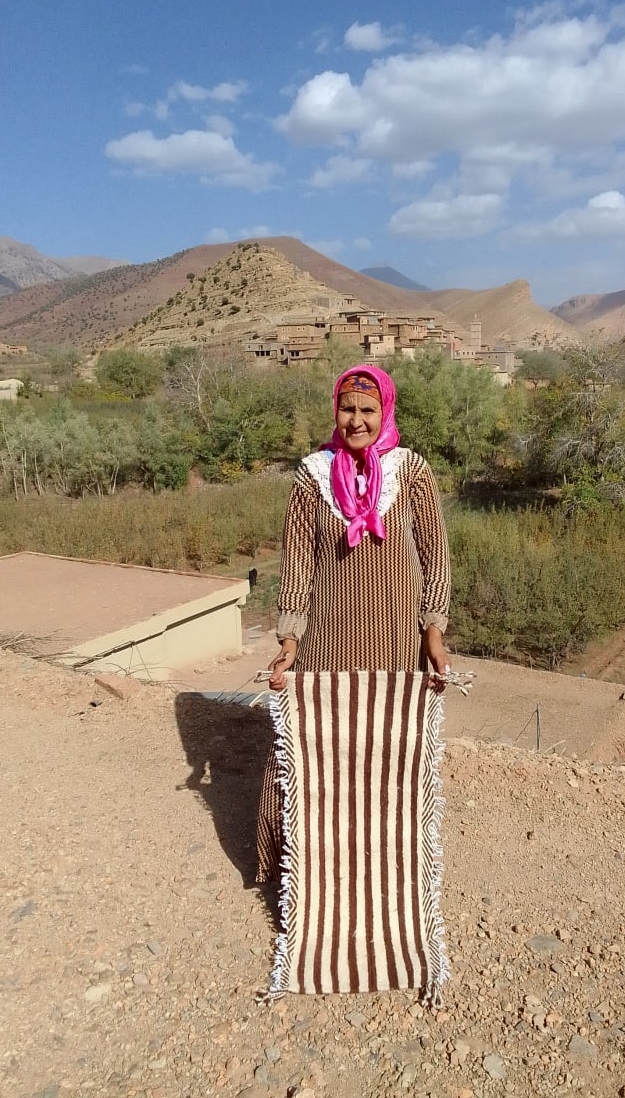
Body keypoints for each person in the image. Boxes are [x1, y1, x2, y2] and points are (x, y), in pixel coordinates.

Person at [255, 363, 451, 883]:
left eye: (368, 409)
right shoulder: (312, 474)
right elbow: (296, 562)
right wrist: (290, 637)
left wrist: (433, 630)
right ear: (335, 411)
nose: (357, 420)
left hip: (394, 643)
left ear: (384, 410)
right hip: (327, 643)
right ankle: (313, 873)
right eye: (348, 408)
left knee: (390, 754)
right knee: (318, 751)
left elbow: (436, 556)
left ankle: (386, 872)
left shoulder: (411, 471)